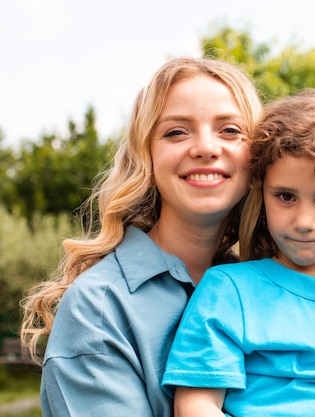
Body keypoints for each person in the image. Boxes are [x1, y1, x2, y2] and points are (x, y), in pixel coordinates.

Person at [19, 57, 263, 417]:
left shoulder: (264, 284)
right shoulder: (98, 308)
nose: (206, 147)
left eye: (230, 130)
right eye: (176, 132)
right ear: (145, 153)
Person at [161, 89, 315, 416]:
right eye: (285, 196)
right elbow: (195, 404)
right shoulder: (229, 290)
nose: (304, 222)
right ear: (261, 191)